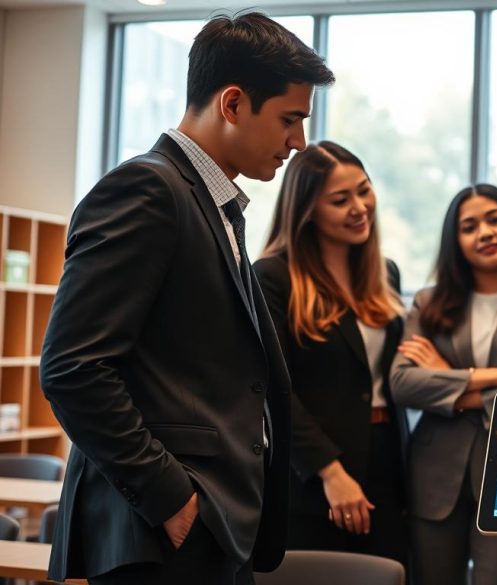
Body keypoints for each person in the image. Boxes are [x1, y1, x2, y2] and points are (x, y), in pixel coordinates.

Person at [39, 13, 334, 585]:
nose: (298, 142)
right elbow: (73, 367)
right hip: (159, 532)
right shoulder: (148, 189)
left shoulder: (213, 201)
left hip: (212, 525)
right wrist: (173, 500)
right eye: (290, 119)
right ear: (232, 104)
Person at [390, 184, 497, 585]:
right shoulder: (428, 302)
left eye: (494, 219)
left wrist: (446, 377)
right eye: (469, 226)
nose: (484, 232)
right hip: (434, 478)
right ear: (455, 241)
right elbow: (402, 383)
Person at [253, 142, 409, 567]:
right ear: (306, 210)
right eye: (340, 200)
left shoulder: (385, 272)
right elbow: (271, 387)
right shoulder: (273, 277)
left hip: (386, 462)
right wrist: (330, 471)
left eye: (364, 190)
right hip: (313, 475)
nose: (360, 207)